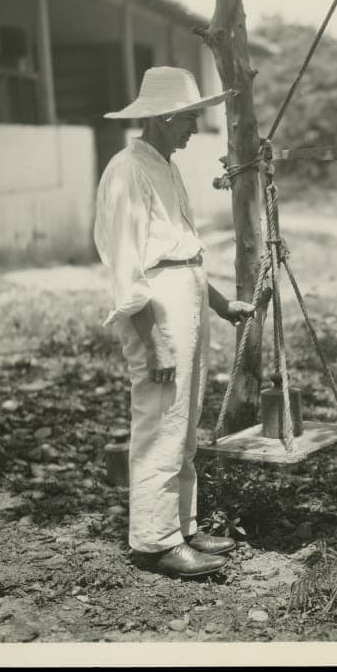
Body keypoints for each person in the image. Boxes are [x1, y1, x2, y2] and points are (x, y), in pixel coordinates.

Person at [95, 66, 255, 577]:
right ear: (165, 118)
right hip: (155, 312)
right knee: (160, 420)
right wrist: (155, 341)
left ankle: (181, 527)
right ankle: (154, 542)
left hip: (184, 298)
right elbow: (130, 267)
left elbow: (182, 255)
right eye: (189, 119)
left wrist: (220, 305)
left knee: (184, 421)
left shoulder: (164, 164)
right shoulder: (127, 170)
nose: (193, 128)